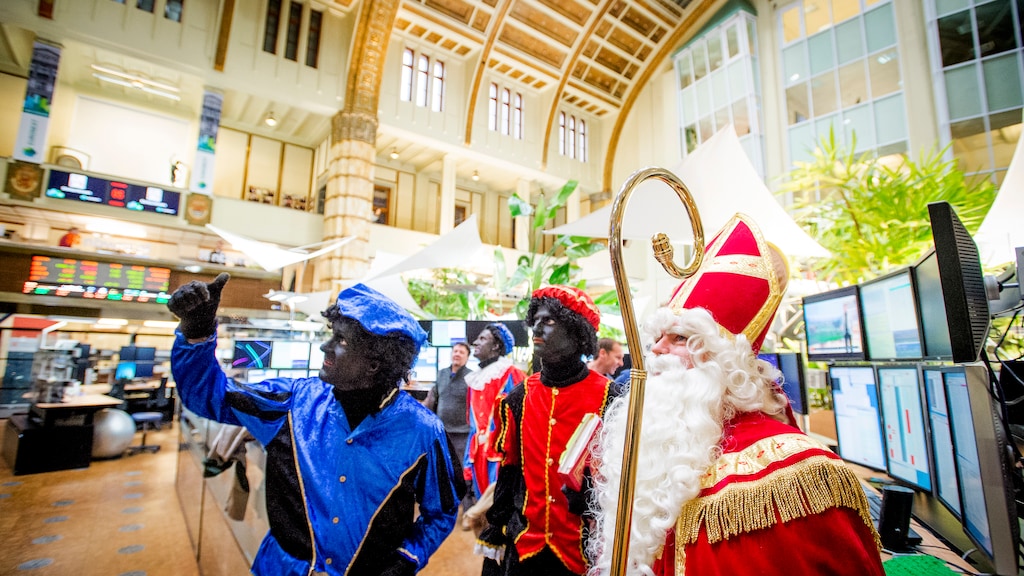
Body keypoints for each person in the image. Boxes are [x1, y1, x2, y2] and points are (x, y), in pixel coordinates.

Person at [588, 214, 884, 576]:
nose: (658, 349)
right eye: (657, 337)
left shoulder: (796, 473)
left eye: (679, 338)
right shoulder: (663, 444)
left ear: (727, 362)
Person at [168, 274, 464, 576]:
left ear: (375, 363)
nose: (325, 346)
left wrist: (405, 561)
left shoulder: (422, 431)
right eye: (331, 334)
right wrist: (196, 331)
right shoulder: (293, 403)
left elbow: (442, 512)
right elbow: (209, 395)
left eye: (341, 340)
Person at [478, 286, 621, 576]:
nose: (537, 328)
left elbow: (620, 476)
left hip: (584, 549)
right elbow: (510, 471)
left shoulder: (611, 397)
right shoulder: (519, 397)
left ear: (578, 333)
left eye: (550, 321)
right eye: (536, 320)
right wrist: (496, 528)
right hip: (525, 545)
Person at [427, 341, 473, 469]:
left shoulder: (472, 377)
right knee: (441, 467)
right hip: (442, 431)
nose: (457, 354)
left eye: (461, 352)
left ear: (467, 357)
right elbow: (432, 399)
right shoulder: (441, 373)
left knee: (459, 468)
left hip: (462, 433)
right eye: (455, 351)